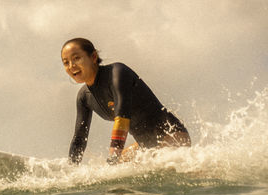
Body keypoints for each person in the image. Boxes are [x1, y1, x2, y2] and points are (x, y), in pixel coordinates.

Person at [61, 38, 191, 164]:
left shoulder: (116, 73)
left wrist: (113, 159)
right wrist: (71, 171)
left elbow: (122, 117)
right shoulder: (84, 97)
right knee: (107, 171)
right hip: (145, 146)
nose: (71, 66)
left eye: (76, 58)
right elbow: (79, 139)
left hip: (173, 136)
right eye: (66, 62)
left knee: (114, 166)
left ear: (93, 57)